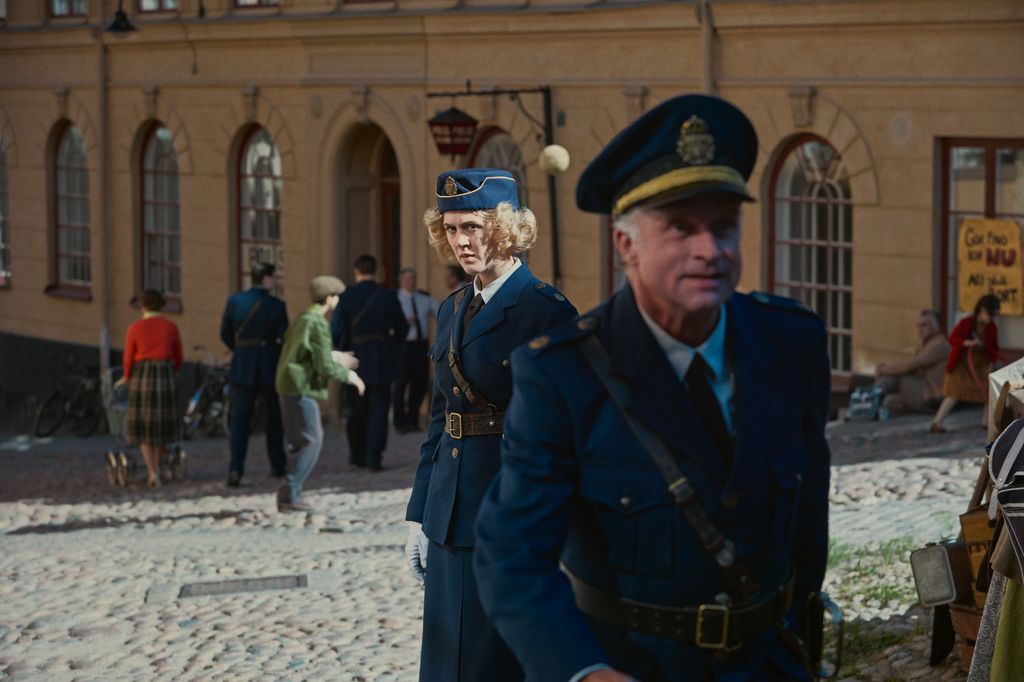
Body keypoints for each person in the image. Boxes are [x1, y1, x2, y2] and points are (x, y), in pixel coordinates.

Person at [473, 95, 831, 682]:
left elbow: (807, 517)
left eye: (724, 227)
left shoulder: (791, 343)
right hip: (633, 668)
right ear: (626, 246)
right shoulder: (562, 372)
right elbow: (511, 555)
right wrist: (583, 671)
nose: (709, 251)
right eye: (680, 228)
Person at [404, 168, 577, 682]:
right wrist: (419, 513)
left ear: (503, 228)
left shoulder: (545, 311)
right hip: (449, 511)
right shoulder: (452, 308)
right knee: (445, 661)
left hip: (510, 512)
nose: (461, 241)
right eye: (451, 229)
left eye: (473, 228)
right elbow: (441, 421)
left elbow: (570, 428)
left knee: (494, 662)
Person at [275, 276, 365, 512]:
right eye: (336, 296)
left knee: (300, 441)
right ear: (329, 298)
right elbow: (323, 365)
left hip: (289, 384)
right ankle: (289, 493)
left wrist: (335, 356)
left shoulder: (304, 317)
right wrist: (351, 377)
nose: (338, 300)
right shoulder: (318, 323)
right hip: (299, 386)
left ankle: (291, 493)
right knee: (311, 440)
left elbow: (306, 351)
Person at [331, 254, 408, 471]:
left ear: (357, 272)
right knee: (379, 413)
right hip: (381, 358)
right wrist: (388, 344)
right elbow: (402, 329)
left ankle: (357, 455)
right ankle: (374, 458)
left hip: (353, 359)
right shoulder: (388, 296)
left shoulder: (346, 296)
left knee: (356, 410)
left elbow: (336, 331)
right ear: (376, 272)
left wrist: (344, 349)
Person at [220, 262, 289, 487]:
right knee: (273, 418)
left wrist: (241, 350)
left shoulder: (235, 301)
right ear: (267, 278)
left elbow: (225, 334)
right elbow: (284, 337)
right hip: (269, 362)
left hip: (243, 364)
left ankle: (235, 468)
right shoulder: (276, 305)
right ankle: (277, 464)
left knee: (240, 420)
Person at [120, 289, 183, 488]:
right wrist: (171, 370)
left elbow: (128, 357)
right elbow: (178, 356)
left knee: (144, 426)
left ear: (142, 306)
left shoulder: (135, 328)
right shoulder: (170, 327)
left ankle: (152, 471)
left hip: (143, 374)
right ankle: (157, 467)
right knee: (161, 426)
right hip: (164, 373)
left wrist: (127, 375)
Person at [930, 294, 1001, 433]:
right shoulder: (967, 322)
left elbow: (994, 348)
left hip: (980, 365)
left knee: (988, 391)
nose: (991, 318)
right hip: (961, 364)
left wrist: (991, 363)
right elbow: (952, 338)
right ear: (982, 310)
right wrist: (966, 342)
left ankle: (986, 422)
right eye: (990, 314)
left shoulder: (992, 327)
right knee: (954, 393)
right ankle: (937, 421)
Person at [874, 309, 950, 414]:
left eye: (924, 325)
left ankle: (867, 401)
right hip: (922, 391)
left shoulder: (940, 345)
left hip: (932, 398)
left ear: (937, 327)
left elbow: (910, 366)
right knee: (890, 401)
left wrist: (882, 368)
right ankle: (869, 404)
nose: (920, 330)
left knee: (894, 377)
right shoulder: (926, 344)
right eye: (918, 326)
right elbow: (911, 367)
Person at [394, 268, 438, 433]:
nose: (411, 281)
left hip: (421, 345)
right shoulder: (395, 298)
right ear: (401, 281)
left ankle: (413, 419)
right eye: (408, 279)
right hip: (402, 345)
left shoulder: (424, 298)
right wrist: (402, 322)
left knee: (419, 383)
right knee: (401, 384)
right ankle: (400, 422)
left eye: (413, 278)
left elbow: (440, 313)